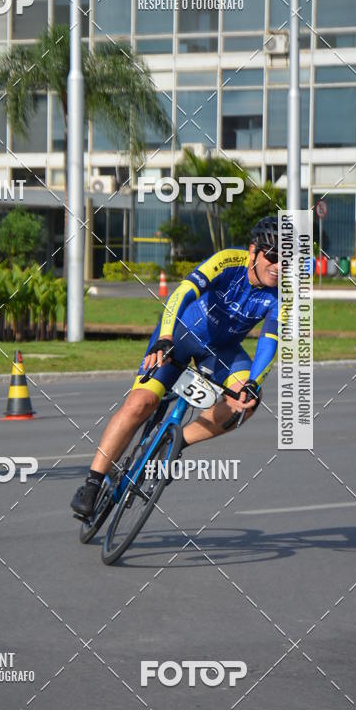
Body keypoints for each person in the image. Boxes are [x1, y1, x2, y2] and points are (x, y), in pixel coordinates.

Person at [70, 215, 282, 519]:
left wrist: (254, 381)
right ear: (253, 251)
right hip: (180, 335)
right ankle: (92, 482)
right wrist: (165, 337)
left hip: (221, 352)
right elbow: (181, 293)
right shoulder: (227, 261)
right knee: (140, 402)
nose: (278, 266)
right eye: (272, 256)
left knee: (247, 402)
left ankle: (177, 442)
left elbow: (269, 340)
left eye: (286, 260)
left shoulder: (285, 293)